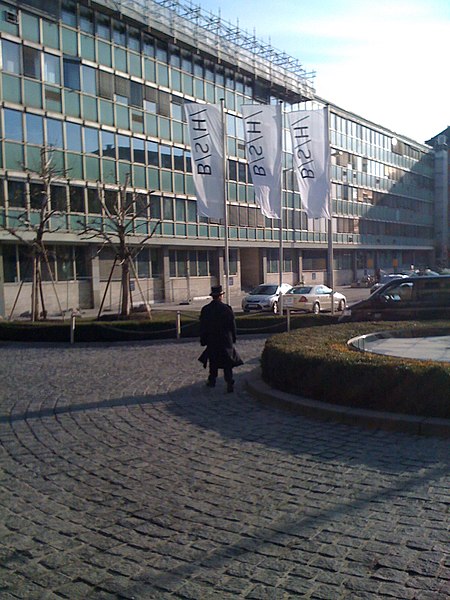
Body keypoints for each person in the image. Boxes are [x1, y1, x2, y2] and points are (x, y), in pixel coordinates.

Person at [198, 285, 243, 393]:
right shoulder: (226, 309)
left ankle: (212, 380)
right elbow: (232, 325)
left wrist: (203, 339)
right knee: (227, 362)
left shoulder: (206, 309)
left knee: (213, 361)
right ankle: (229, 381)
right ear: (221, 296)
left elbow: (202, 326)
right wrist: (234, 338)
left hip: (212, 339)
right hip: (225, 339)